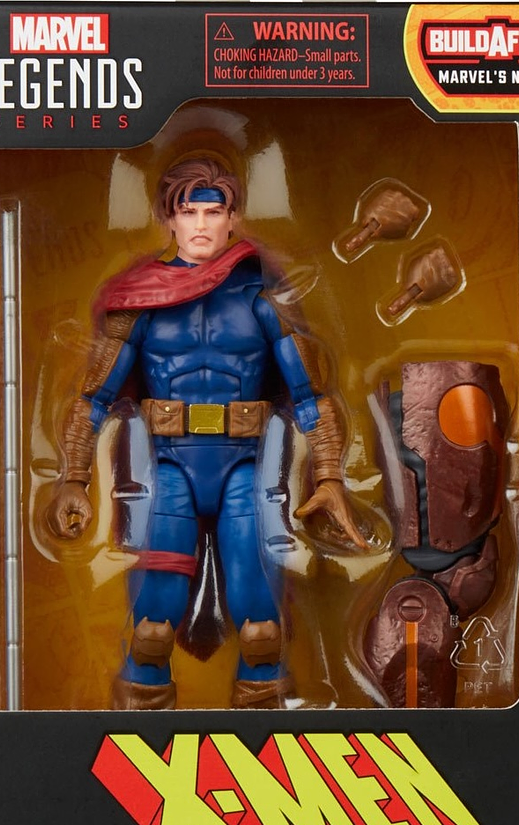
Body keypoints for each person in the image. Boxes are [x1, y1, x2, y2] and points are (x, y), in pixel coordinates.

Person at [46, 156, 366, 710]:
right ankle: (140, 729)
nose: (200, 224)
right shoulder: (140, 301)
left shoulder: (262, 296)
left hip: (246, 466)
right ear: (168, 218)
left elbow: (313, 395)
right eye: (188, 211)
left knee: (262, 630)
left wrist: (332, 478)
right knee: (151, 630)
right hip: (168, 466)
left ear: (233, 217)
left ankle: (265, 732)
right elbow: (93, 397)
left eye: (212, 212)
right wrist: (73, 478)